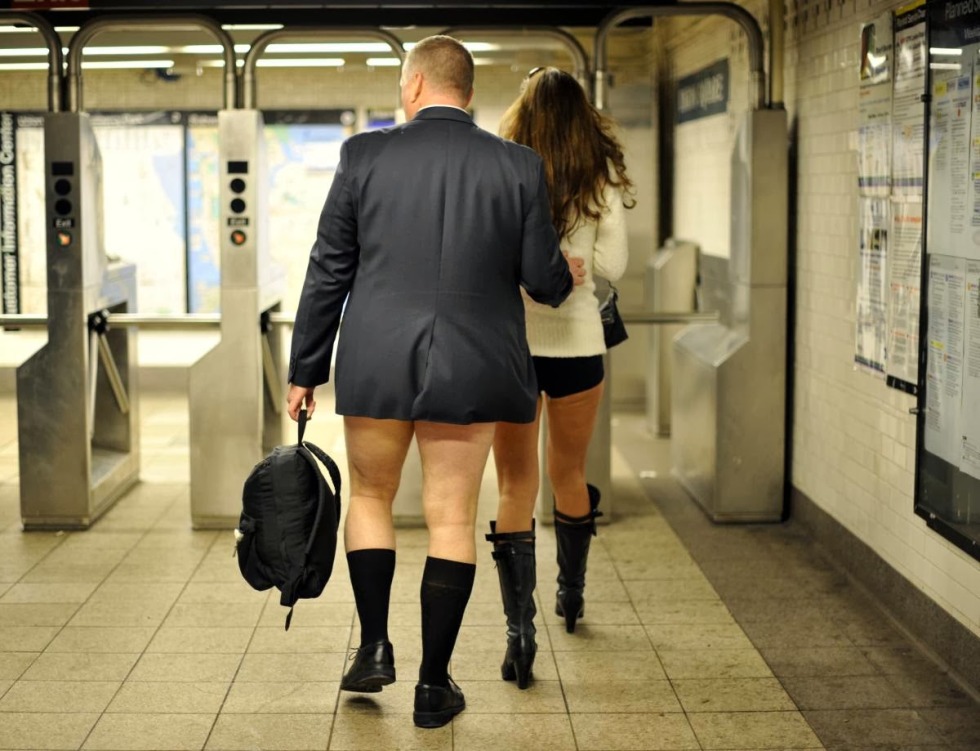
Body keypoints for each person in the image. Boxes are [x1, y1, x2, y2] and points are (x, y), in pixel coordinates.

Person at [285, 38, 584, 729]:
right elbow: (542, 280)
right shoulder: (517, 165)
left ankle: (373, 647)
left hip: (377, 359)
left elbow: (328, 267)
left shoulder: (365, 156)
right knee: (451, 515)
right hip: (473, 363)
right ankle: (432, 683)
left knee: (371, 494)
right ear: (468, 92)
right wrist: (564, 269)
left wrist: (305, 369)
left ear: (413, 85)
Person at [487, 66, 635, 688]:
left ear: (523, 115)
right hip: (577, 342)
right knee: (567, 474)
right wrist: (575, 261)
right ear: (582, 115)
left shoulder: (504, 167)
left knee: (515, 483)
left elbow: (486, 252)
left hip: (512, 346)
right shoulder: (598, 175)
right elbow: (614, 265)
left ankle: (519, 634)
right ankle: (570, 596)